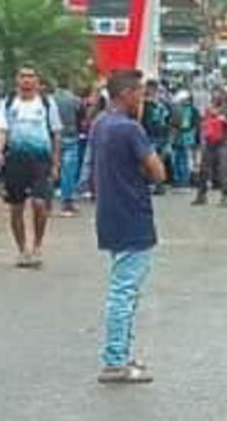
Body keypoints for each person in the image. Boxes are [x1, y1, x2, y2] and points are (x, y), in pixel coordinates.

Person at [92, 69, 167, 384]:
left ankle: (119, 352)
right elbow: (158, 172)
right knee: (124, 291)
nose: (143, 99)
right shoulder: (130, 129)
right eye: (139, 93)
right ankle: (114, 360)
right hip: (132, 214)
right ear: (125, 94)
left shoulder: (100, 124)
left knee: (124, 287)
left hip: (109, 213)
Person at [0, 68, 64, 268]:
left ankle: (37, 246)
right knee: (16, 207)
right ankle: (22, 250)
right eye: (23, 76)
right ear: (17, 80)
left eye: (31, 76)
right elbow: (1, 129)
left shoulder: (47, 103)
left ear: (37, 81)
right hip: (15, 160)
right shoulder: (8, 104)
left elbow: (56, 134)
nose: (27, 80)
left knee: (39, 204)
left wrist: (56, 163)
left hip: (41, 159)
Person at [196, 85, 227, 207]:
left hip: (225, 141)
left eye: (219, 94)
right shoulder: (209, 109)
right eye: (214, 94)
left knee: (223, 168)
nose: (216, 96)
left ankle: (225, 196)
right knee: (204, 167)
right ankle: (201, 195)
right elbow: (203, 123)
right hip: (210, 141)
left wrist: (226, 121)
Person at [53, 80, 89, 217]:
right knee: (69, 171)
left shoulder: (51, 100)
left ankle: (47, 203)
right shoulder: (75, 101)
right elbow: (81, 117)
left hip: (54, 137)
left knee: (52, 168)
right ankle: (67, 202)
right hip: (71, 136)